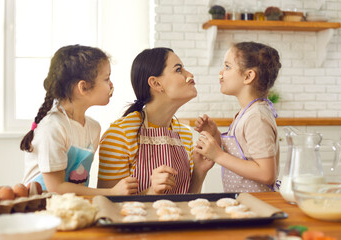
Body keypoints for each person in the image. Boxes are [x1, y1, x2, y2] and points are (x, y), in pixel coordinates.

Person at [21, 44, 138, 195]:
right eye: (106, 78)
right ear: (83, 87)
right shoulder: (52, 128)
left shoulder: (94, 128)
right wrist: (112, 192)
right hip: (42, 210)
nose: (111, 85)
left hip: (71, 207)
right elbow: (56, 188)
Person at [98, 47, 214, 194]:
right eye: (178, 70)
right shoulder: (120, 135)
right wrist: (150, 192)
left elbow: (188, 201)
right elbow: (107, 205)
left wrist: (199, 171)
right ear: (156, 84)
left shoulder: (184, 134)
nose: (190, 75)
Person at [194, 41, 281, 193]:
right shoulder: (246, 113)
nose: (220, 73)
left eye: (227, 67)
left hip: (258, 207)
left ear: (248, 76)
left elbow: (267, 174)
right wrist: (215, 136)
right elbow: (241, 156)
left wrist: (218, 156)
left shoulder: (257, 117)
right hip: (246, 203)